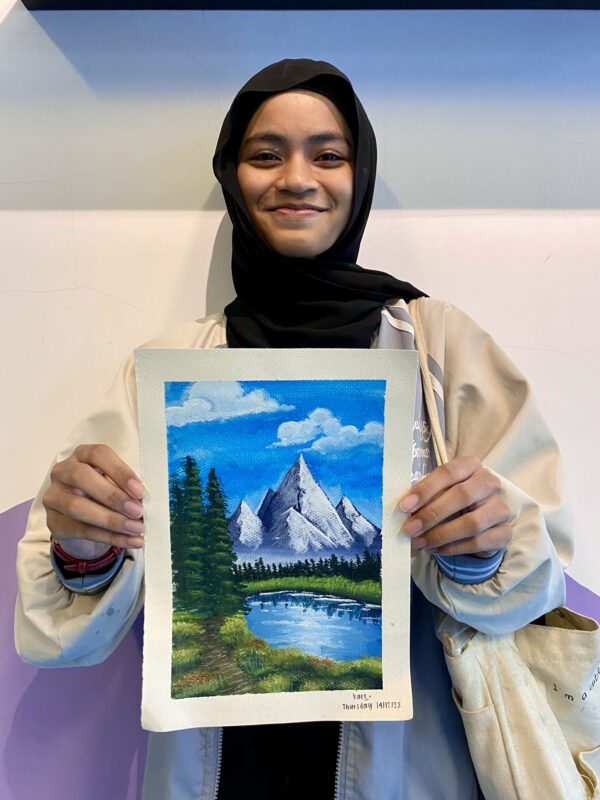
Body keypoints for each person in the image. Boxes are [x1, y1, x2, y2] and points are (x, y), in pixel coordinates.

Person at [15, 59, 572, 799]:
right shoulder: (169, 372)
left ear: (360, 175)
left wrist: (484, 545)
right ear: (232, 176)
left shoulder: (440, 349)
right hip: (217, 774)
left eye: (328, 155)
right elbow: (59, 630)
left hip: (408, 771)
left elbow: (535, 581)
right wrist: (83, 549)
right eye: (266, 154)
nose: (297, 178)